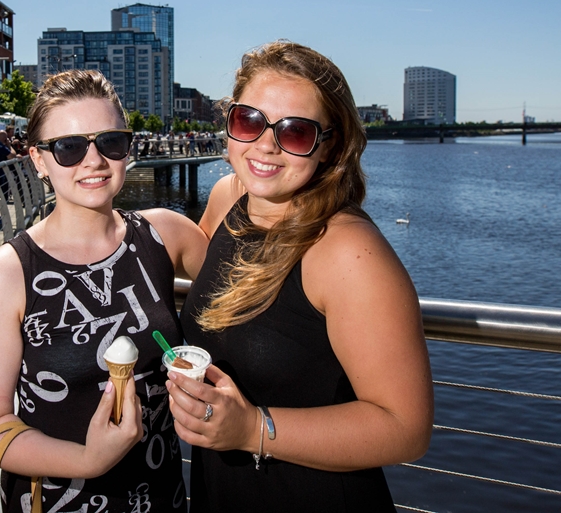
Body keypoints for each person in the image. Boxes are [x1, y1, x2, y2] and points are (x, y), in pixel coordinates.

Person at [166, 41, 434, 512]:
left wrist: (252, 428)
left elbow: (405, 428)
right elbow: (208, 275)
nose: (265, 144)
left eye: (294, 133)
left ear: (329, 146)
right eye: (249, 120)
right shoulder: (230, 196)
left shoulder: (349, 252)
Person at [0, 69, 207, 513]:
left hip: (163, 497)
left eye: (110, 141)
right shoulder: (6, 273)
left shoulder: (168, 234)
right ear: (38, 160)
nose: (93, 161)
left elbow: (247, 301)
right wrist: (87, 460)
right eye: (69, 147)